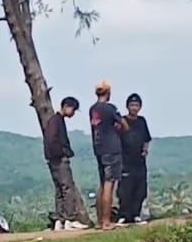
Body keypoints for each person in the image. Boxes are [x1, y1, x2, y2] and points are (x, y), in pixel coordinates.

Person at [42, 96, 87, 231]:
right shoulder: (57, 121)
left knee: (59, 190)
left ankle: (59, 220)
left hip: (52, 160)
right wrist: (62, 153)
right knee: (67, 188)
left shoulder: (54, 120)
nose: (73, 113)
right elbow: (51, 140)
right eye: (73, 109)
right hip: (59, 159)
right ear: (67, 107)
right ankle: (69, 219)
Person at [88, 82, 128, 230]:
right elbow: (124, 124)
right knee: (109, 184)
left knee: (102, 184)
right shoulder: (110, 108)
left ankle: (99, 220)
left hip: (99, 148)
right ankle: (106, 221)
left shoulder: (93, 109)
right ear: (108, 93)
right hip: (112, 149)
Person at [116, 93, 152, 224]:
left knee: (140, 187)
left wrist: (145, 150)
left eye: (137, 105)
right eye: (132, 105)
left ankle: (136, 214)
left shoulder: (142, 121)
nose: (134, 108)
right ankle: (124, 215)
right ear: (127, 106)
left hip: (139, 160)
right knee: (125, 188)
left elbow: (147, 139)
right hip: (125, 160)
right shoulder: (122, 121)